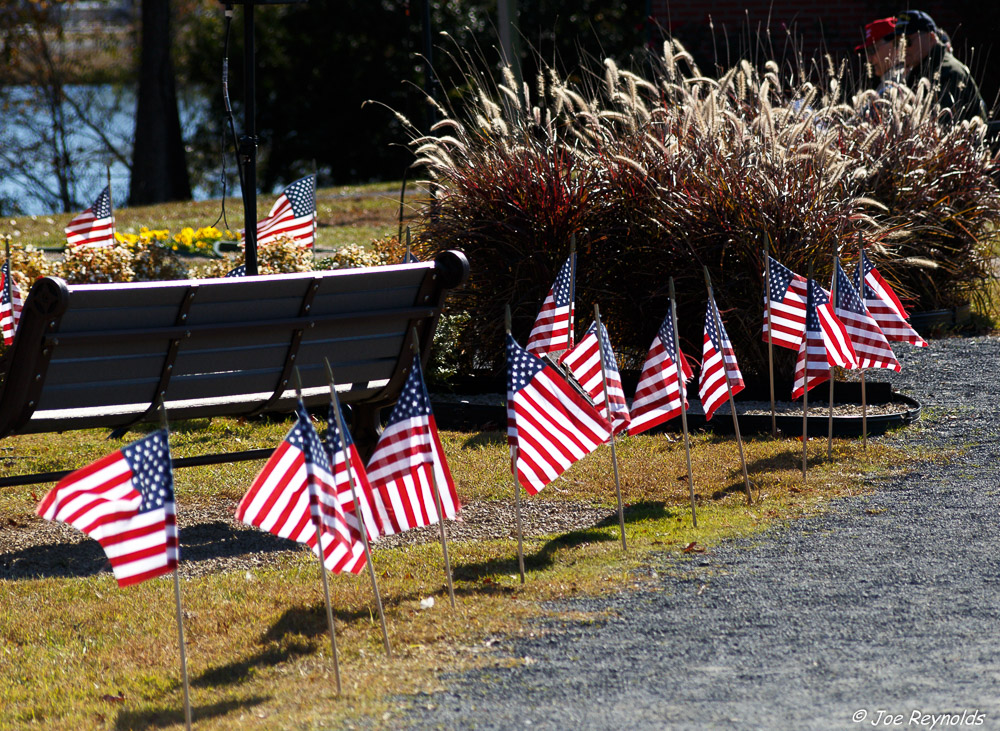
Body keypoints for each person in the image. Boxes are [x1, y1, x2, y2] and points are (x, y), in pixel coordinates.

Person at [893, 10, 988, 123]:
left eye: (907, 41)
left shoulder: (949, 72)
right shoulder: (917, 72)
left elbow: (945, 126)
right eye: (897, 43)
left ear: (931, 37)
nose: (902, 48)